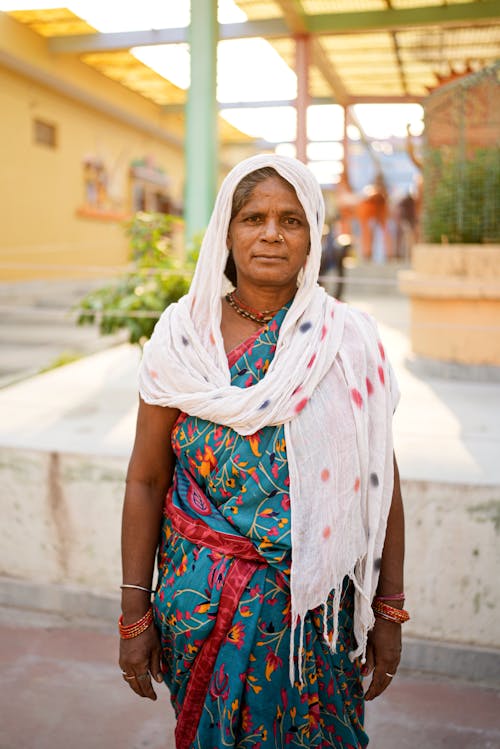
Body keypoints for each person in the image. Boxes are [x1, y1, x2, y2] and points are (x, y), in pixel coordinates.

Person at [119, 154, 407, 749]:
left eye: (292, 220)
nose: (271, 234)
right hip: (198, 610)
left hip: (317, 618)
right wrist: (135, 613)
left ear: (313, 237)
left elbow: (382, 481)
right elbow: (146, 480)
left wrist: (390, 608)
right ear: (226, 231)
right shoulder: (182, 337)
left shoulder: (345, 340)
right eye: (253, 217)